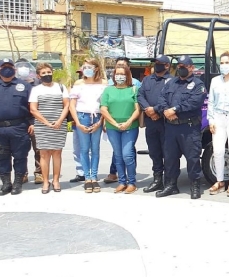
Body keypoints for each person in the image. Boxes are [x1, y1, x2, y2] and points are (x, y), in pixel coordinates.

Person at [0, 58, 34, 196]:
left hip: (20, 127)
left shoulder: (25, 86)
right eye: (3, 67)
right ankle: (6, 184)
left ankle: (17, 183)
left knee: (20, 156)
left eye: (9, 66)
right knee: (2, 156)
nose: (7, 68)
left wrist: (33, 123)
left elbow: (32, 107)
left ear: (14, 69)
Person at [155, 55, 206, 199]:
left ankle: (195, 186)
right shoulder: (171, 83)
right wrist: (166, 110)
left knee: (192, 158)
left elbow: (194, 102)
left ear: (191, 68)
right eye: (179, 66)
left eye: (184, 66)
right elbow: (161, 98)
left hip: (189, 128)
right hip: (171, 127)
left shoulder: (198, 84)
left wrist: (175, 109)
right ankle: (171, 186)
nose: (180, 68)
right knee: (170, 158)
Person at [28, 63, 70, 193]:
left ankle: (56, 180)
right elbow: (33, 109)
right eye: (44, 73)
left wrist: (59, 121)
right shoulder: (36, 90)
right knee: (44, 154)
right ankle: (45, 182)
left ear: (52, 72)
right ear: (38, 76)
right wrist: (46, 122)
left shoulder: (61, 88)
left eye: (48, 72)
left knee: (57, 153)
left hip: (59, 125)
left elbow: (66, 106)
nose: (47, 75)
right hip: (42, 126)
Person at [100, 64, 141, 194]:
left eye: (122, 74)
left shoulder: (133, 89)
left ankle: (132, 182)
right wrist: (115, 123)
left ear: (127, 76)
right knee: (118, 155)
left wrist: (128, 122)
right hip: (113, 128)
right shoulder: (108, 90)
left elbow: (138, 109)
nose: (119, 76)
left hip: (130, 127)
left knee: (127, 154)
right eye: (117, 74)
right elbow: (103, 109)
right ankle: (122, 182)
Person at [69, 58, 107, 194]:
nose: (86, 70)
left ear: (96, 68)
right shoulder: (78, 83)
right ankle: (87, 178)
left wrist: (101, 121)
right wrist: (78, 123)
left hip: (97, 117)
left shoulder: (104, 83)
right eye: (84, 67)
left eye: (89, 67)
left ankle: (94, 177)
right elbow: (72, 105)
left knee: (95, 149)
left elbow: (105, 104)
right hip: (82, 117)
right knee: (84, 149)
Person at [137, 55, 172, 193]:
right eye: (155, 63)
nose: (156, 65)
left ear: (167, 65)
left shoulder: (172, 81)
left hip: (165, 122)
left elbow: (171, 99)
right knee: (154, 152)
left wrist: (156, 110)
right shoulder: (147, 80)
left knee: (168, 153)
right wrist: (148, 110)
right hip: (151, 122)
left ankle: (169, 181)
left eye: (159, 63)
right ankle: (157, 180)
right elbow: (140, 96)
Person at [207, 51, 229, 197]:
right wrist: (211, 119)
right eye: (221, 63)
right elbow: (211, 101)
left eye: (227, 62)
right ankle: (219, 181)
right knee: (218, 151)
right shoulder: (215, 81)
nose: (224, 65)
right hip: (218, 117)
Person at [15, 58, 42, 185]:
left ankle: (39, 173)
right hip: (20, 122)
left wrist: (34, 122)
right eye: (21, 66)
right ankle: (23, 173)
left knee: (39, 149)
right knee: (21, 150)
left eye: (26, 66)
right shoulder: (14, 85)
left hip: (36, 121)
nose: (23, 69)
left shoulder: (38, 84)